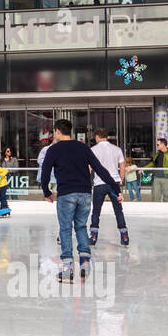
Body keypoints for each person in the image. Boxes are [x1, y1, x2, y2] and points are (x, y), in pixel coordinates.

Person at [40, 119, 122, 282]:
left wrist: (47, 192)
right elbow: (100, 169)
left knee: (65, 229)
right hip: (84, 194)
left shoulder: (53, 150)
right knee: (80, 227)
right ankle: (85, 263)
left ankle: (68, 268)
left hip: (66, 194)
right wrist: (116, 188)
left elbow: (45, 172)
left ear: (57, 131)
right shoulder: (83, 147)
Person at [88, 128, 129, 247]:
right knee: (118, 211)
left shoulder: (93, 150)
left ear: (97, 136)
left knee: (96, 211)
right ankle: (124, 235)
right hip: (114, 183)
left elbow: (89, 168)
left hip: (99, 183)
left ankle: (93, 235)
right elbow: (122, 167)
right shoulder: (117, 149)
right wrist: (120, 181)